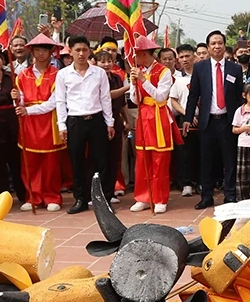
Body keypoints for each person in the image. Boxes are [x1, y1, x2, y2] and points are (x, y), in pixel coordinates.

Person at [53, 35, 114, 214]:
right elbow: (60, 101)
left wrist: (109, 122)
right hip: (74, 121)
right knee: (77, 161)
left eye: (84, 50)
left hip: (96, 120)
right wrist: (62, 125)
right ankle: (80, 198)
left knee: (102, 161)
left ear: (90, 51)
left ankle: (103, 200)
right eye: (77, 50)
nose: (81, 54)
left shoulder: (99, 73)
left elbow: (105, 98)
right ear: (70, 51)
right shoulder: (63, 74)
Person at [183, 30, 244, 208]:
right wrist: (188, 118)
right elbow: (193, 95)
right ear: (208, 47)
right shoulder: (200, 68)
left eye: (220, 43)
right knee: (206, 160)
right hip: (207, 121)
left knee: (229, 159)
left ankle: (230, 195)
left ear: (225, 46)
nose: (217, 46)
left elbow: (239, 96)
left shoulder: (235, 68)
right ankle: (206, 196)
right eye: (213, 43)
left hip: (228, 120)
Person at [13, 33, 64, 212]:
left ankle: (52, 196)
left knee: (51, 163)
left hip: (49, 122)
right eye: (37, 50)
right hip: (28, 124)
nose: (41, 54)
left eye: (44, 50)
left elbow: (53, 103)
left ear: (51, 52)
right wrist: (16, 99)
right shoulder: (21, 75)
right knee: (30, 163)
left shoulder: (58, 75)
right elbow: (19, 101)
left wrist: (29, 110)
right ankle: (32, 196)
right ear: (32, 52)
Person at [129, 40, 179, 214]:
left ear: (144, 53)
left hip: (158, 117)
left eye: (137, 54)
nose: (135, 57)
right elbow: (135, 100)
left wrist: (144, 81)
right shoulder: (138, 71)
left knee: (160, 160)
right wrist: (134, 86)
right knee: (142, 159)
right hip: (143, 117)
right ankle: (143, 197)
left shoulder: (163, 72)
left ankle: (160, 198)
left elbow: (160, 97)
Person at [0, 46, 27, 204]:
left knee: (17, 159)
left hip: (13, 120)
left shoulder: (12, 77)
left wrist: (17, 96)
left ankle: (24, 194)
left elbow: (23, 98)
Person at [96, 48, 129, 204]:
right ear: (95, 63)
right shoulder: (94, 78)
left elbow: (122, 102)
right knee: (99, 158)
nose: (106, 64)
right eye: (102, 61)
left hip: (115, 119)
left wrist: (127, 120)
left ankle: (110, 191)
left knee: (114, 156)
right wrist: (128, 87)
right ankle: (97, 192)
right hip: (99, 120)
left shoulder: (117, 77)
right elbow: (107, 95)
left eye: (109, 61)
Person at [170, 43, 199, 197]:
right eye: (181, 57)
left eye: (188, 56)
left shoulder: (203, 74)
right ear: (178, 60)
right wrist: (188, 115)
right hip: (185, 118)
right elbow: (173, 100)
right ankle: (186, 183)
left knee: (202, 151)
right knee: (185, 152)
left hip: (204, 117)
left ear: (194, 57)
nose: (185, 59)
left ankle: (200, 182)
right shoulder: (176, 79)